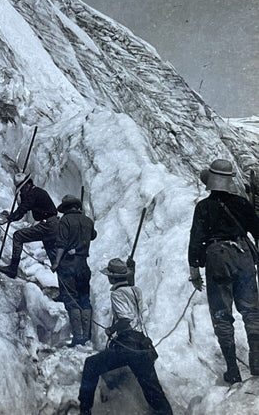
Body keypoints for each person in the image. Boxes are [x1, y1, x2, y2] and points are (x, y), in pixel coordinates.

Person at [188, 158, 259, 383]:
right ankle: (257, 362)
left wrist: (195, 270)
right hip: (243, 256)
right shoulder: (242, 204)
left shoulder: (203, 207)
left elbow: (196, 240)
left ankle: (232, 369)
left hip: (217, 258)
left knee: (221, 314)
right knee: (252, 312)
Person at [78, 258, 173, 415]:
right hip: (142, 344)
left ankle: (85, 410)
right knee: (154, 391)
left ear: (112, 278)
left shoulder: (116, 294)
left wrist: (111, 329)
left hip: (127, 345)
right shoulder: (136, 290)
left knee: (91, 365)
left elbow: (125, 319)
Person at [50, 195, 97, 346]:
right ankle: (87, 335)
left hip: (68, 264)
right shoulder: (88, 220)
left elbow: (61, 243)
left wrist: (56, 263)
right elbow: (93, 236)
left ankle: (78, 336)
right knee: (84, 298)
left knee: (71, 299)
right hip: (83, 264)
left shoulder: (65, 220)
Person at [0, 173, 58, 278]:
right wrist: (11, 216)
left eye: (21, 189)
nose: (22, 192)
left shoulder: (33, 193)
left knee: (18, 236)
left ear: (26, 185)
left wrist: (5, 220)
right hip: (53, 225)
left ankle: (12, 269)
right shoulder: (37, 192)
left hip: (48, 225)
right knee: (54, 257)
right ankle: (68, 288)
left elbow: (22, 209)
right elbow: (21, 211)